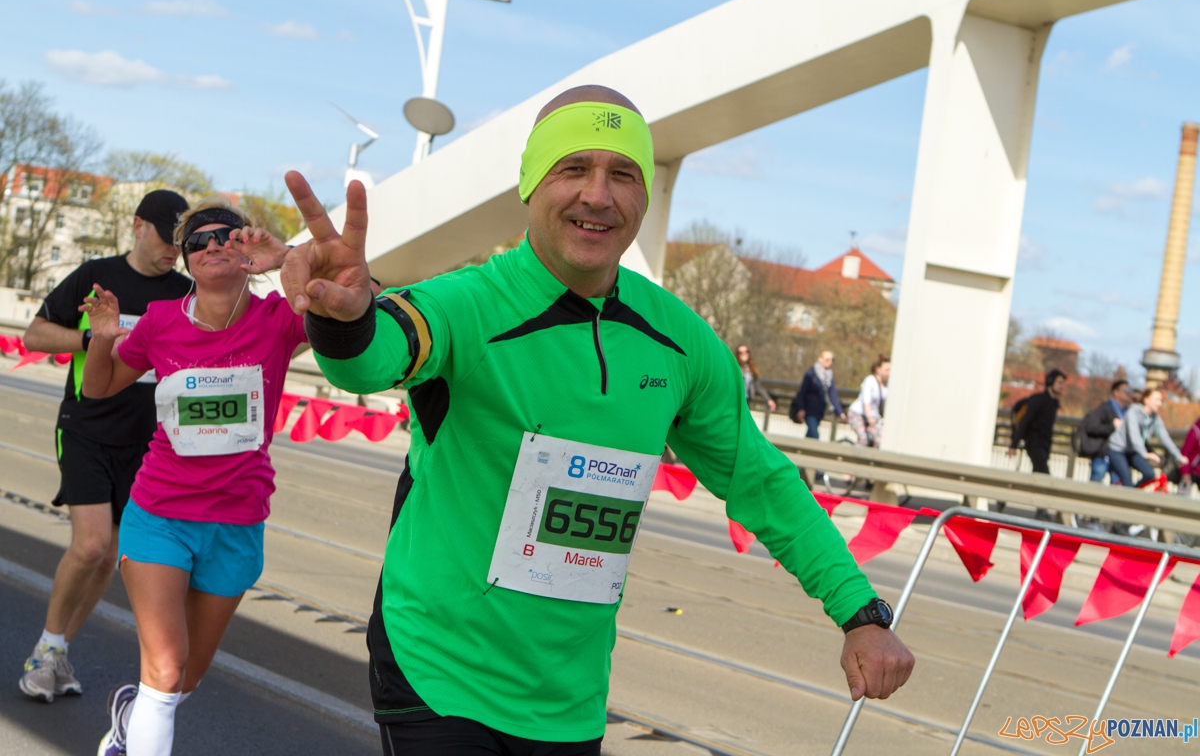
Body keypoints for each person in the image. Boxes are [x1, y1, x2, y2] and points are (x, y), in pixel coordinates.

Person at [282, 85, 914, 755]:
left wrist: (861, 613)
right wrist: (341, 319)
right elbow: (375, 357)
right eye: (573, 169)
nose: (598, 195)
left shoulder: (679, 342)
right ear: (531, 183)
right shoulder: (466, 305)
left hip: (570, 699)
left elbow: (761, 482)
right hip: (437, 670)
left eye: (623, 174)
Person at [80, 198, 304, 756]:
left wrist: (291, 257)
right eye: (196, 240)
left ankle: (132, 717)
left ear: (245, 245)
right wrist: (103, 335)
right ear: (185, 259)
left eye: (223, 234)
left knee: (184, 680)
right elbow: (98, 389)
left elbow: (361, 305)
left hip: (237, 521)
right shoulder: (160, 322)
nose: (210, 245)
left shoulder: (279, 319)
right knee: (164, 665)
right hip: (160, 514)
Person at [18, 190, 193, 705]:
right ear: (138, 226)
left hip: (147, 442)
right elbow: (34, 334)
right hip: (86, 427)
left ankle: (59, 650)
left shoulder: (186, 292)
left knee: (110, 554)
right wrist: (96, 338)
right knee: (90, 544)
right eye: (165, 238)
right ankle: (44, 651)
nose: (171, 250)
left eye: (178, 242)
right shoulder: (96, 276)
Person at [1107, 387, 1182, 489]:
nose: (1159, 403)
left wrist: (1178, 456)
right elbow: (1134, 435)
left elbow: (1165, 437)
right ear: (1146, 400)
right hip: (1118, 450)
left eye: (1160, 400)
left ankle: (1132, 494)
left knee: (1149, 474)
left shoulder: (1155, 418)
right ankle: (1129, 492)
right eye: (1157, 400)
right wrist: (1144, 453)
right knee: (1127, 481)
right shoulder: (1133, 412)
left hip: (1133, 451)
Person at [1008, 368, 1066, 474]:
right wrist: (1013, 445)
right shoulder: (1038, 400)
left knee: (1038, 473)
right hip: (1034, 443)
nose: (1062, 386)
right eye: (1059, 382)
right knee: (1043, 473)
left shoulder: (1054, 403)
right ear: (1050, 382)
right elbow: (1025, 421)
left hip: (1044, 445)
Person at [1077, 380, 1131, 483]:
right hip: (1102, 455)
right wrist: (1112, 426)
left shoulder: (1129, 411)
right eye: (1126, 390)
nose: (1129, 393)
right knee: (1095, 485)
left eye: (1130, 391)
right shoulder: (1105, 408)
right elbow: (1091, 427)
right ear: (1116, 392)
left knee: (1118, 487)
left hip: (1120, 456)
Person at [789, 350, 846, 440]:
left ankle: (801, 451)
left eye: (832, 360)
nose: (830, 362)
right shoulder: (811, 374)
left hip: (819, 411)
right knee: (814, 435)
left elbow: (833, 395)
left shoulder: (829, 376)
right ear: (820, 359)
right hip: (809, 409)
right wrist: (801, 409)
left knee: (810, 436)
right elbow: (802, 392)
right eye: (827, 359)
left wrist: (841, 413)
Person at [847, 356, 889, 448]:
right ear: (878, 369)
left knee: (879, 439)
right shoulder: (870, 380)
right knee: (864, 439)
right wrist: (869, 417)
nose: (888, 373)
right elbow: (866, 401)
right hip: (858, 414)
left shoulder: (887, 385)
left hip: (874, 417)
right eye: (886, 370)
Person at [735, 343, 776, 414]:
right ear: (737, 355)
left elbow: (758, 387)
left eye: (746, 351)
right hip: (736, 400)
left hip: (747, 401)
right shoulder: (735, 367)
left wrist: (768, 399)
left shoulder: (751, 369)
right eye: (741, 352)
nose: (744, 354)